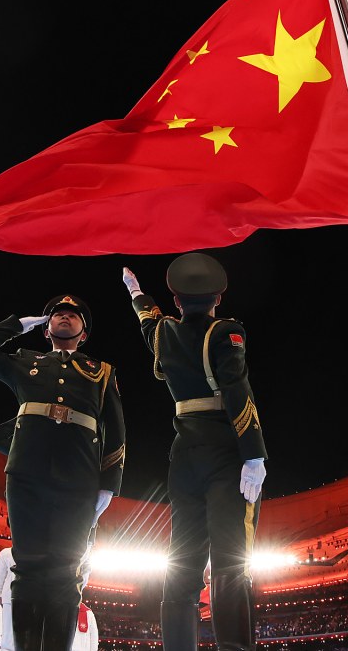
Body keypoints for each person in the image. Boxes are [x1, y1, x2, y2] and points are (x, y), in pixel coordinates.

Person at [0, 294, 126, 651]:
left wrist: (108, 485)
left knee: (67, 570)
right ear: (46, 328)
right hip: (27, 473)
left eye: (73, 315)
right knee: (27, 566)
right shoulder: (25, 361)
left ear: (84, 333)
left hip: (79, 477)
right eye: (57, 314)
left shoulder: (102, 372)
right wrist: (19, 324)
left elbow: (116, 431)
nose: (64, 317)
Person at [124, 253, 265, 651]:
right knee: (231, 558)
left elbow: (149, 321)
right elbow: (236, 388)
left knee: (183, 560)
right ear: (218, 298)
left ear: (177, 301)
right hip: (225, 451)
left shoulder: (165, 334)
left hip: (184, 455)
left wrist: (136, 294)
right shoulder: (227, 331)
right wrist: (254, 453)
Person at [0, 543, 17, 651]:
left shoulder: (34, 554)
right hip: (10, 597)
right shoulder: (6, 553)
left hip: (30, 599)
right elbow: (0, 576)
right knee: (8, 633)